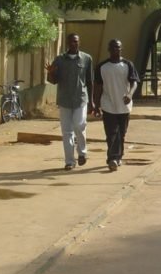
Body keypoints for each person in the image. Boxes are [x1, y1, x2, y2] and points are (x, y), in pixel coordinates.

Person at [46, 33, 95, 170]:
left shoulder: (86, 59)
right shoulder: (60, 60)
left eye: (76, 41)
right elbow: (53, 81)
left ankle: (82, 153)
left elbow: (90, 81)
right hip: (64, 100)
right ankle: (69, 161)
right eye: (72, 42)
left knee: (79, 125)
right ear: (67, 43)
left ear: (79, 42)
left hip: (81, 99)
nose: (74, 44)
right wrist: (51, 73)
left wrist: (92, 101)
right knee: (67, 131)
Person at [93, 39, 139, 172]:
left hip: (124, 106)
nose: (115, 50)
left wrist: (130, 95)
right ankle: (112, 158)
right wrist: (96, 105)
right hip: (108, 104)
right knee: (111, 133)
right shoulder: (102, 67)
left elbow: (134, 82)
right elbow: (98, 86)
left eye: (118, 48)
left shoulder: (128, 64)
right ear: (109, 49)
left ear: (121, 49)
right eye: (113, 48)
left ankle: (119, 156)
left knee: (121, 133)